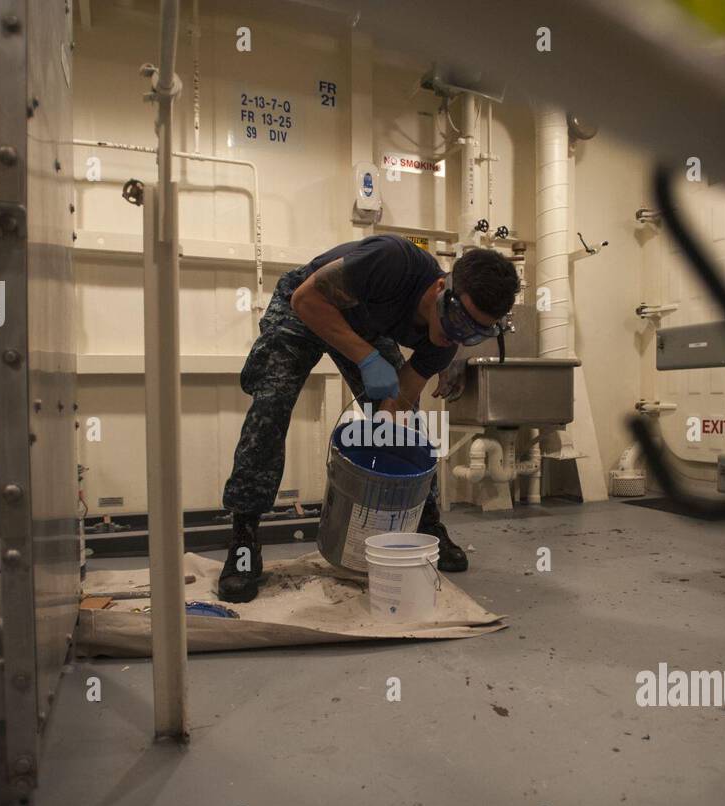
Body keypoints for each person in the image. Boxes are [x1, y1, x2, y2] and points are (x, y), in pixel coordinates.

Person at [218, 233, 520, 602]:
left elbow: (401, 402)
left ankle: (427, 525)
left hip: (363, 325)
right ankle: (244, 544)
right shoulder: (390, 260)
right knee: (271, 405)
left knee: (408, 426)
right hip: (307, 305)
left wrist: (387, 420)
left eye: (474, 333)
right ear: (443, 286)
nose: (457, 334)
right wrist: (366, 358)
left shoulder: (442, 344)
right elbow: (306, 300)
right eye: (457, 319)